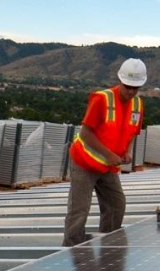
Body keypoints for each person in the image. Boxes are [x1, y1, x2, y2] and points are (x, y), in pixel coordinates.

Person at [62, 58, 146, 247]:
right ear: (120, 81)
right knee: (79, 211)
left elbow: (133, 132)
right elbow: (85, 133)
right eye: (127, 87)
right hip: (85, 162)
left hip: (108, 166)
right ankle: (71, 253)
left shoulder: (138, 105)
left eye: (136, 88)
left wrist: (127, 152)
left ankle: (108, 246)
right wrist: (109, 154)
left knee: (116, 205)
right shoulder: (102, 99)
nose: (131, 92)